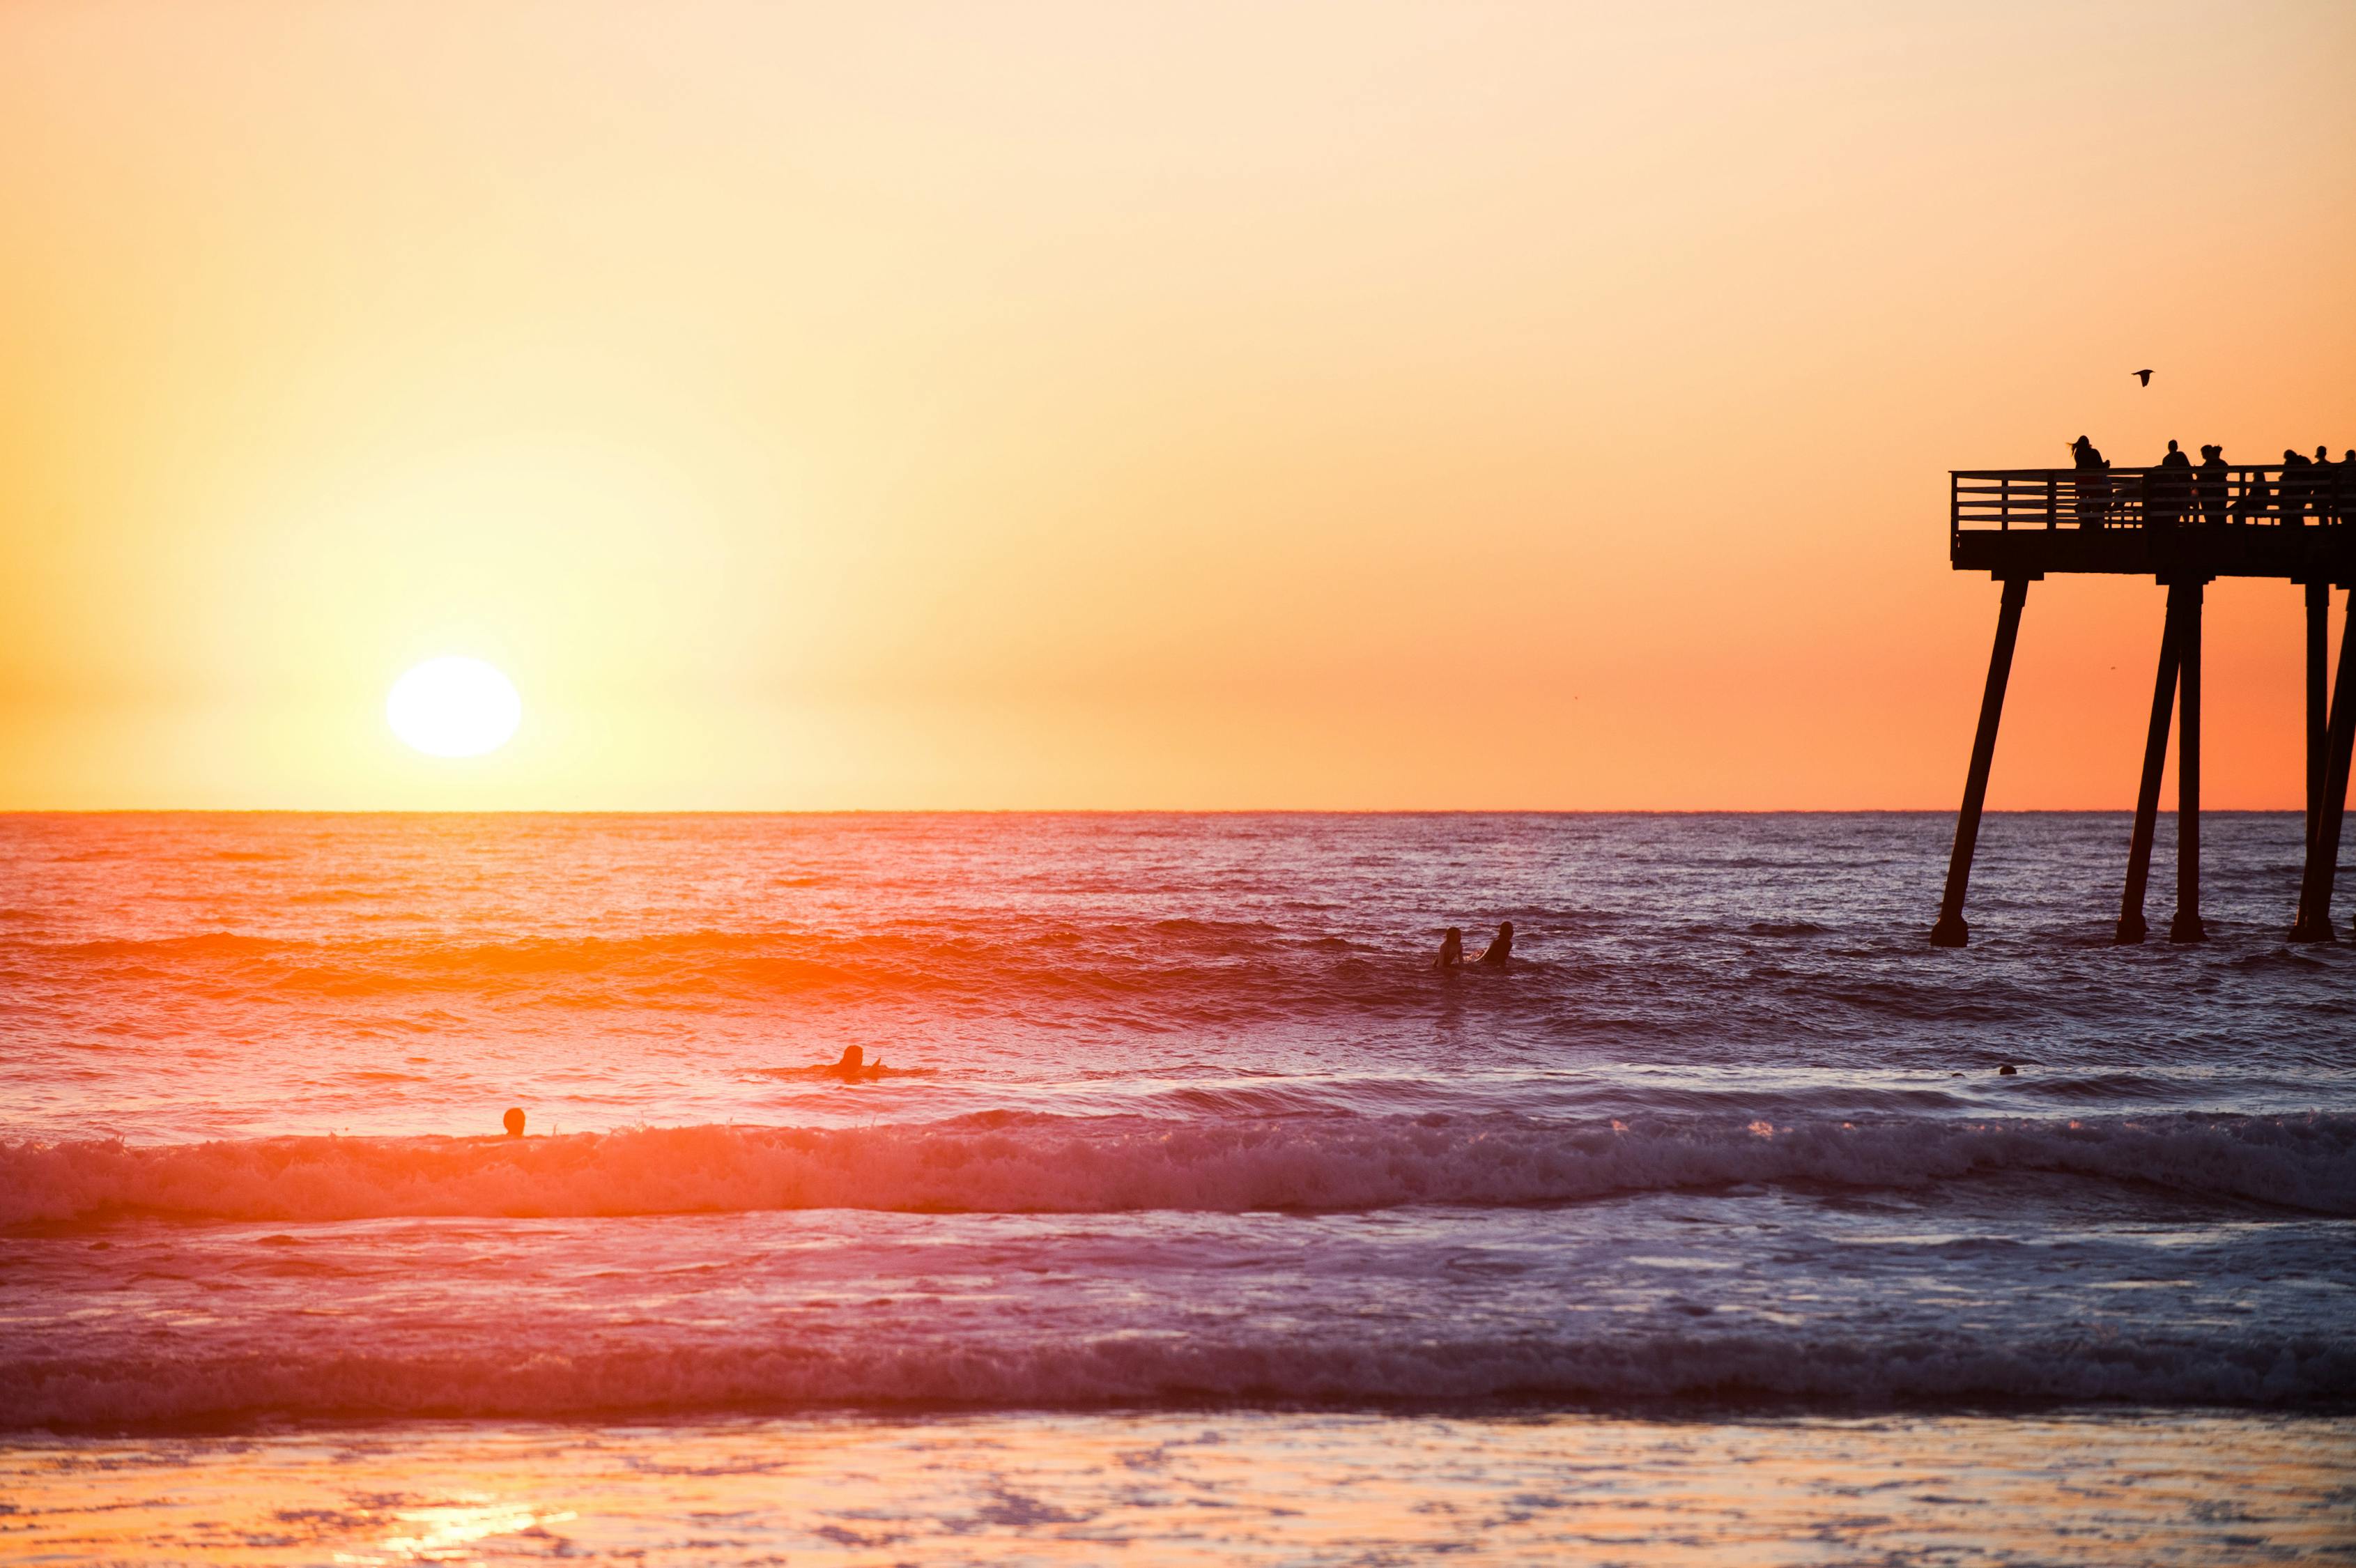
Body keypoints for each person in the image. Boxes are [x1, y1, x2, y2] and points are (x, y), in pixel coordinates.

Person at [2070, 436, 2110, 528]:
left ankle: (2083, 524)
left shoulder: (2078, 454)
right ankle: (2097, 524)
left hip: (2081, 481)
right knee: (2094, 502)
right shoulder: (2094, 453)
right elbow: (2100, 466)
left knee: (2082, 502)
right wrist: (2107, 464)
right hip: (2093, 481)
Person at [2150, 439, 2192, 528]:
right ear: (2177, 447)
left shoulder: (2166, 459)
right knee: (2185, 505)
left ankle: (2175, 524)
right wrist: (2191, 482)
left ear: (2168, 448)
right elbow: (2188, 469)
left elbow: (2163, 476)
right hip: (2183, 485)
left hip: (2171, 488)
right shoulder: (2181, 455)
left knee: (2175, 506)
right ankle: (2186, 524)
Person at [2195, 445, 2228, 526]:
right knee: (2221, 513)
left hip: (2209, 493)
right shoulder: (2223, 464)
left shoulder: (2208, 465)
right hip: (2222, 491)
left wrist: (2197, 474)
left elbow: (2202, 478)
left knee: (2210, 516)